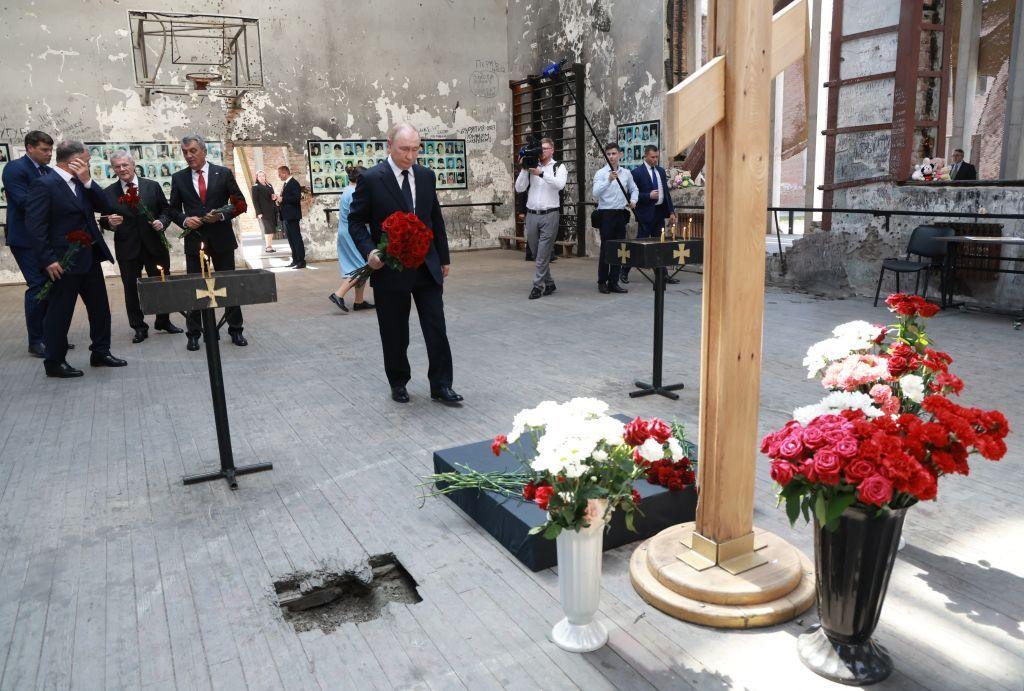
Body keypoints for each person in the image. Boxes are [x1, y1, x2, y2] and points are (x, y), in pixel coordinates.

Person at [348, 122, 461, 405]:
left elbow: (435, 218)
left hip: (427, 265)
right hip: (391, 268)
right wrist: (370, 251)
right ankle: (398, 382)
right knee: (395, 331)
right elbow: (356, 222)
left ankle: (441, 385)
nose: (410, 156)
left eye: (415, 149)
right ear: (389, 145)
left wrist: (443, 257)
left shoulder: (426, 176)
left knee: (436, 327)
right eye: (404, 149)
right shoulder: (372, 179)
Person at [24, 140, 126, 377]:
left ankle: (100, 352)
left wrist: (88, 180)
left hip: (89, 257)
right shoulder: (44, 184)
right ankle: (55, 362)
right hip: (62, 262)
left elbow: (106, 206)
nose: (88, 164)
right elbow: (36, 227)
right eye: (86, 161)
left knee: (100, 309)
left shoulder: (81, 183)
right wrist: (48, 259)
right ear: (74, 160)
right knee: (60, 313)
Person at [166, 134, 248, 351]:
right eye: (185, 152)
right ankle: (194, 333)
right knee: (196, 287)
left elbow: (240, 204)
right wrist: (184, 219)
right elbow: (172, 209)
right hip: (195, 241)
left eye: (192, 151)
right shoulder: (179, 178)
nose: (188, 156)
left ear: (204, 151)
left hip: (221, 239)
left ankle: (236, 329)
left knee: (228, 286)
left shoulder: (224, 173)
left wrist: (221, 216)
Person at [99, 150, 183, 343]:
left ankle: (163, 320)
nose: (122, 169)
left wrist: (162, 222)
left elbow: (166, 210)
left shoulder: (151, 186)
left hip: (155, 245)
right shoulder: (108, 193)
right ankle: (138, 326)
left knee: (161, 284)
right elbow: (104, 220)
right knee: (131, 288)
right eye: (117, 167)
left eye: (124, 165)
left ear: (133, 165)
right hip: (127, 248)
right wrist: (110, 223)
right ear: (113, 169)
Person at [3, 130, 57, 357]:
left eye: (51, 150)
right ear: (29, 148)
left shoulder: (47, 170)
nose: (49, 154)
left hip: (44, 238)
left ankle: (51, 335)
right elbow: (24, 202)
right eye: (45, 150)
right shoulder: (15, 169)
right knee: (37, 286)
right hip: (25, 240)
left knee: (51, 286)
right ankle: (36, 341)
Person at [514, 137, 567, 299]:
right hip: (532, 215)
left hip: (550, 214)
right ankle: (549, 282)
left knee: (543, 253)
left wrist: (542, 173)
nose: (542, 152)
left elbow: (560, 185)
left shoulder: (559, 166)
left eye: (545, 149)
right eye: (540, 149)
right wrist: (525, 169)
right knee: (538, 254)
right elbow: (519, 188)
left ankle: (538, 286)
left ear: (552, 150)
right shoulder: (532, 166)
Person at [626, 145, 677, 285]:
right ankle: (624, 272)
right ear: (646, 156)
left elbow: (666, 193)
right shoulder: (637, 173)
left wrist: (671, 211)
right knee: (639, 244)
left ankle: (662, 274)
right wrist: (648, 195)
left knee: (659, 245)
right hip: (645, 215)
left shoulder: (660, 171)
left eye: (657, 157)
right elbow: (631, 194)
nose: (655, 160)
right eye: (653, 157)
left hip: (659, 213)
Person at [592, 142, 638, 294]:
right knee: (606, 249)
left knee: (619, 249)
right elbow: (596, 193)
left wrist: (633, 200)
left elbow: (634, 188)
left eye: (614, 153)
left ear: (620, 155)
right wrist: (609, 180)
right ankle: (602, 281)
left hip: (620, 213)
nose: (611, 157)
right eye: (609, 154)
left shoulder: (626, 173)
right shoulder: (601, 173)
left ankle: (614, 281)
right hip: (606, 214)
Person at [329, 167, 375, 313]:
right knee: (366, 266)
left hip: (346, 231)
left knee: (359, 264)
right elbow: (362, 215)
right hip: (352, 233)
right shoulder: (355, 192)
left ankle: (359, 301)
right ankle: (339, 294)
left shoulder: (348, 190)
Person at [277, 165, 306, 268]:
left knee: (296, 238)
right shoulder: (286, 184)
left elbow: (296, 198)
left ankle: (301, 261)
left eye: (279, 174)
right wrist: (279, 201)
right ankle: (295, 260)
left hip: (292, 216)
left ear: (285, 173)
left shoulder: (293, 183)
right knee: (291, 239)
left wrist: (283, 199)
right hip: (287, 216)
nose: (279, 176)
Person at [251, 169, 278, 252]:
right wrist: (258, 212)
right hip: (263, 211)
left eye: (263, 175)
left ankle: (270, 246)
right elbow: (255, 201)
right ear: (257, 177)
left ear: (265, 177)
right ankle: (268, 247)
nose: (261, 177)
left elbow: (272, 196)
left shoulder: (269, 185)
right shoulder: (255, 187)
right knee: (268, 228)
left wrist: (275, 197)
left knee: (272, 228)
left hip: (272, 209)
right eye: (259, 176)